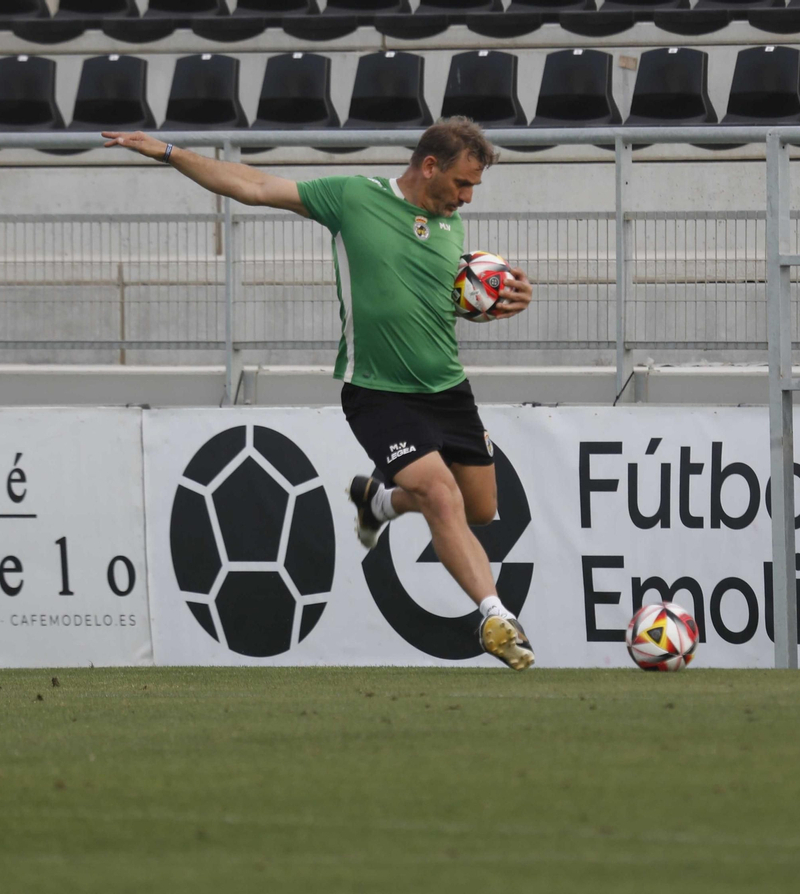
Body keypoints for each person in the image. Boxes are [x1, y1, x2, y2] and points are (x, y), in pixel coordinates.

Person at [104, 118, 538, 670]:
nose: (468, 197)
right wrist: (168, 152)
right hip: (379, 394)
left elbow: (431, 300)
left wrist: (497, 302)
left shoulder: (449, 228)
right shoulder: (353, 197)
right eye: (463, 183)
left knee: (480, 508)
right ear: (430, 166)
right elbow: (253, 185)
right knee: (441, 496)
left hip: (448, 390)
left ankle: (379, 502)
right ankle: (495, 616)